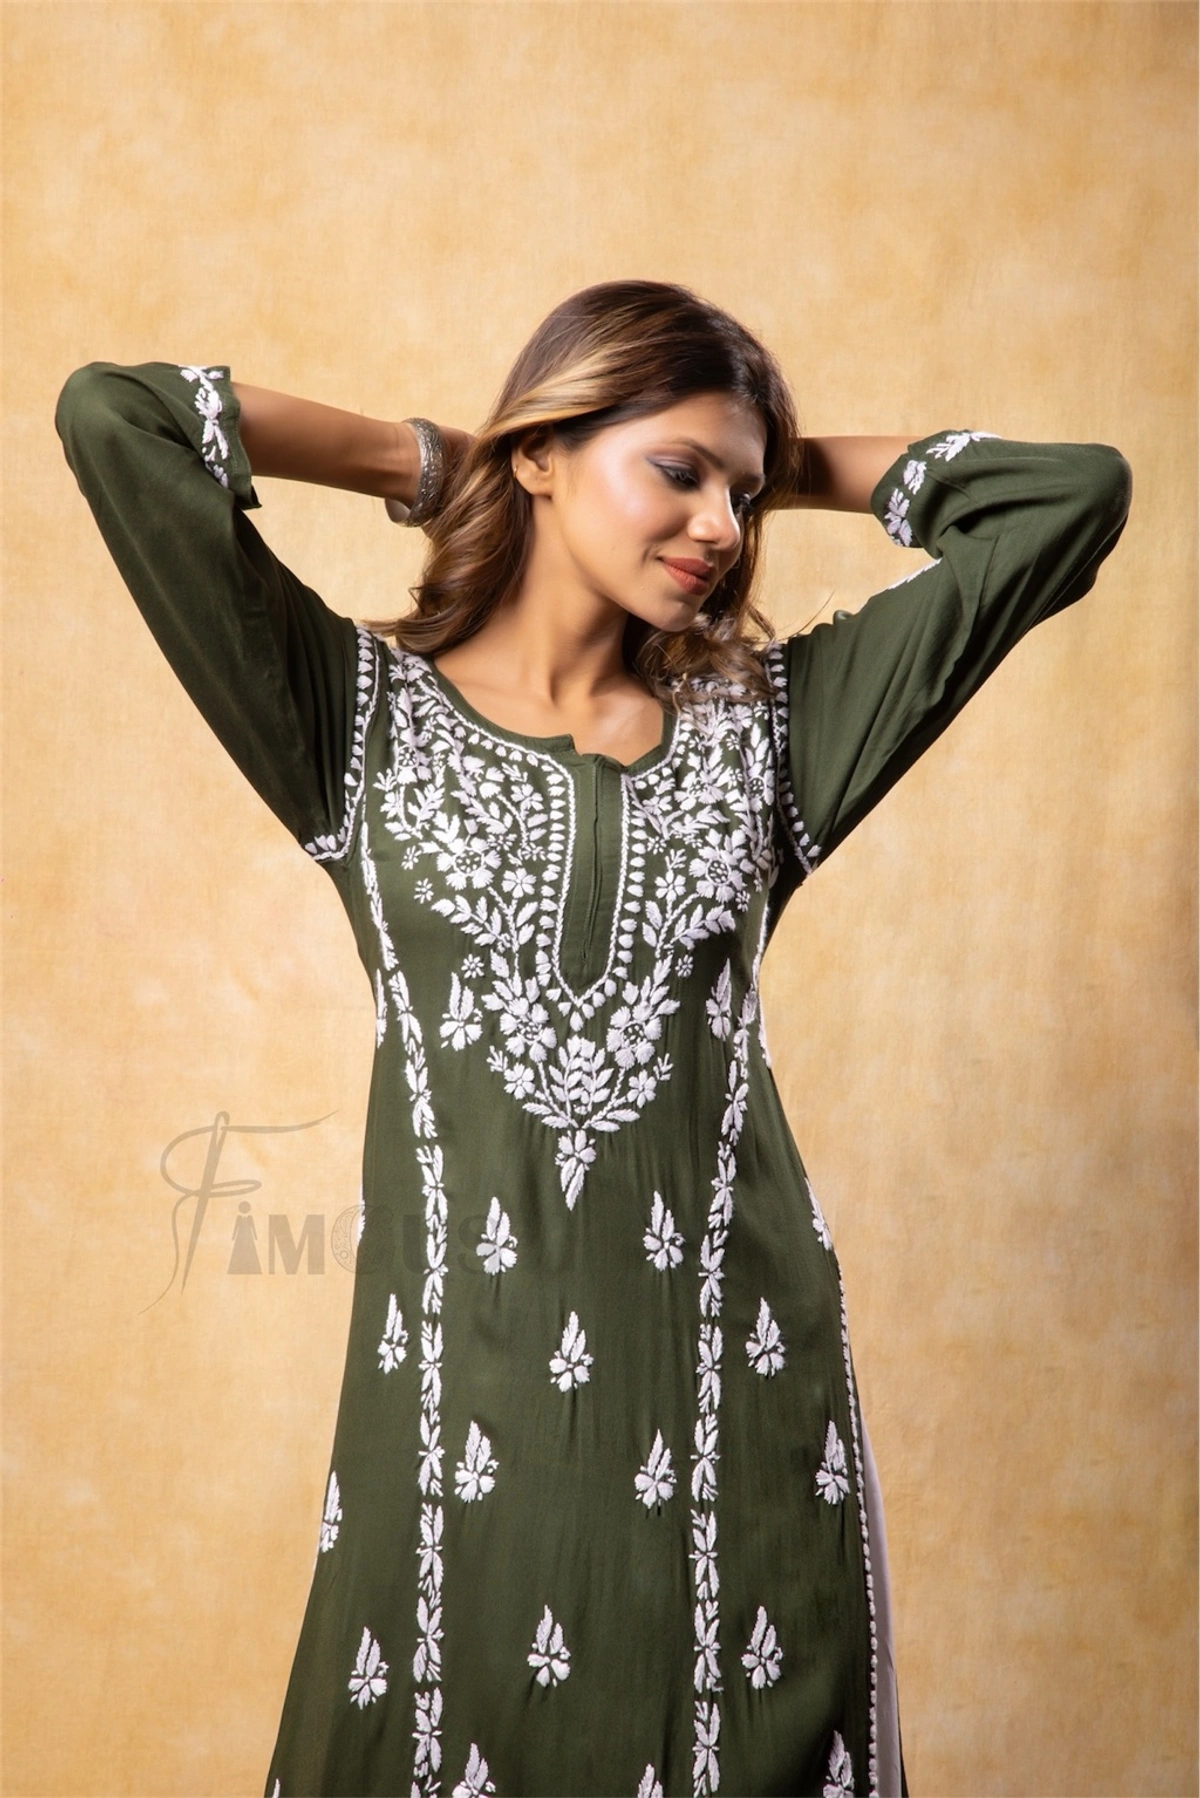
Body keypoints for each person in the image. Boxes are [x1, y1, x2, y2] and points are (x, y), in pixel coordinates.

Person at [56, 280, 1130, 1798]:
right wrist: (438, 461)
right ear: (545, 450)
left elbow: (1072, 498)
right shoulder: (352, 720)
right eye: (677, 471)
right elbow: (120, 420)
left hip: (733, 1406)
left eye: (744, 496)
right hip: (457, 1423)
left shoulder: (776, 731)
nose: (721, 527)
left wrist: (776, 462)